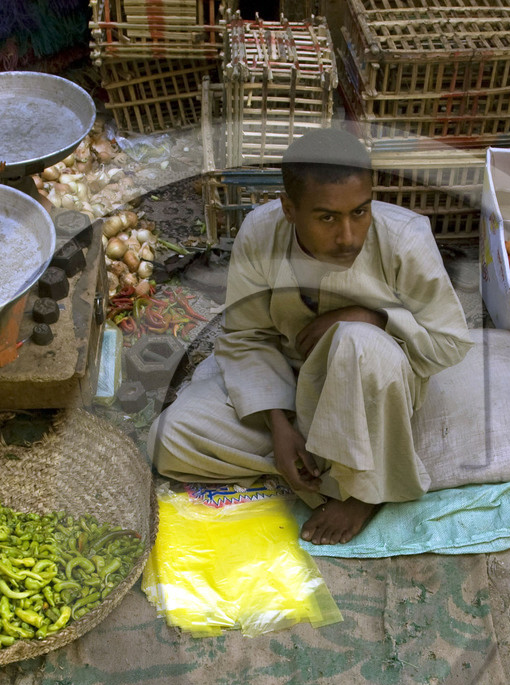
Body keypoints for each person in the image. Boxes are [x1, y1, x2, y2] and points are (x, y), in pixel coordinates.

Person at [149, 127, 472, 545]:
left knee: (358, 342)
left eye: (360, 211)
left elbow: (449, 342)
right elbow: (246, 337)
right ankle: (335, 460)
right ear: (288, 208)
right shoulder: (260, 233)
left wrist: (372, 316)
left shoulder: (404, 238)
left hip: (372, 386)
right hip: (290, 380)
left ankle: (364, 492)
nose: (348, 236)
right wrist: (279, 425)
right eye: (326, 217)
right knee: (167, 440)